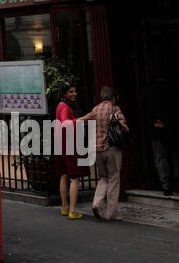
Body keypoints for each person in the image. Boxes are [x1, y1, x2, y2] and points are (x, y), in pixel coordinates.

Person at [84, 86, 128, 221]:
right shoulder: (115, 109)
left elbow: (85, 121)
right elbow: (124, 126)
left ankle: (96, 203)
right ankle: (111, 213)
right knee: (114, 179)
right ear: (112, 98)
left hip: (97, 150)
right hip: (112, 148)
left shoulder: (95, 110)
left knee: (103, 178)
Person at [54, 84, 85, 219]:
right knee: (74, 177)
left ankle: (65, 207)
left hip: (61, 143)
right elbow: (66, 123)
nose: (74, 94)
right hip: (70, 143)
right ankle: (72, 210)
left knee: (64, 175)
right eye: (71, 92)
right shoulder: (65, 107)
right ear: (64, 93)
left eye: (75, 91)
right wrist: (84, 118)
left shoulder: (61, 106)